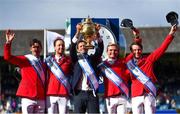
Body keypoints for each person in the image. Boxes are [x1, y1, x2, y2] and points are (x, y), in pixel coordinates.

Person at [126, 24, 178, 114]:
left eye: (139, 50)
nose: (137, 52)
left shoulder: (148, 60)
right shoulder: (129, 62)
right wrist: (136, 37)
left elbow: (162, 48)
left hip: (149, 93)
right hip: (136, 94)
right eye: (134, 50)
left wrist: (171, 33)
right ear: (131, 52)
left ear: (142, 50)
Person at [4, 30, 46, 113]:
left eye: (38, 47)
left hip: (41, 97)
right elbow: (7, 57)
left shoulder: (44, 64)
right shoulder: (25, 59)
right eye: (34, 47)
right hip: (28, 96)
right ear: (30, 49)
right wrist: (8, 43)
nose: (36, 49)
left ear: (41, 48)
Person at [70, 23, 104, 113]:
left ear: (88, 48)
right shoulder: (76, 60)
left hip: (91, 93)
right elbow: (72, 48)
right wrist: (77, 32)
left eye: (84, 46)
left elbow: (100, 49)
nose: (83, 47)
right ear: (78, 49)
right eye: (80, 46)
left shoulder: (92, 59)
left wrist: (97, 33)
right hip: (79, 93)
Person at [97, 43, 131, 114]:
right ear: (107, 51)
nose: (113, 52)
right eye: (111, 50)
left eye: (115, 50)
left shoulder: (123, 63)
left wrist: (137, 39)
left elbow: (132, 54)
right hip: (109, 98)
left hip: (122, 97)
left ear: (118, 52)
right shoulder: (102, 65)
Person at [45, 37, 72, 114]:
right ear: (54, 47)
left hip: (63, 94)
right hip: (50, 94)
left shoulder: (68, 60)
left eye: (62, 45)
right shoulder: (48, 61)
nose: (61, 47)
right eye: (59, 45)